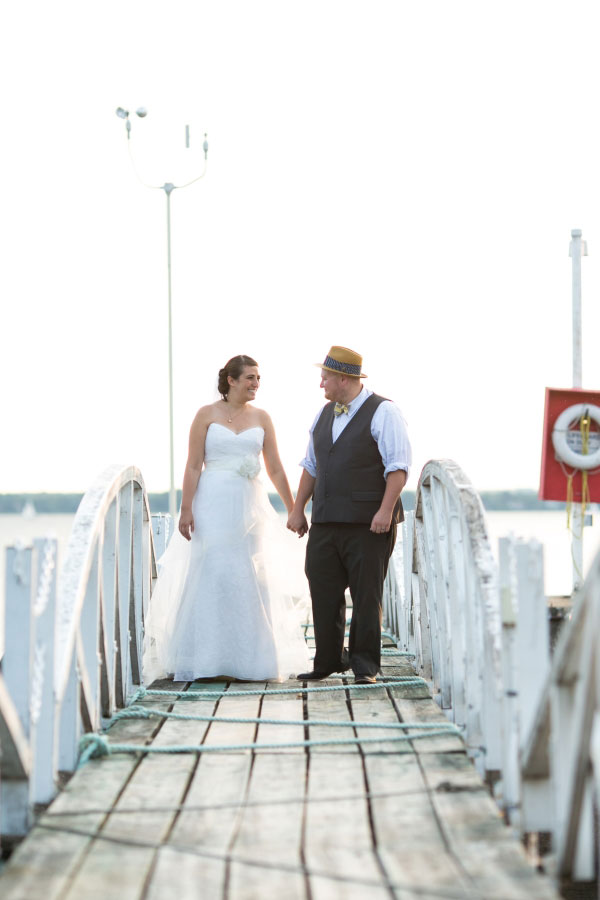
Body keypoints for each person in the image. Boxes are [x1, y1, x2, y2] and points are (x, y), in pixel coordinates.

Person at [143, 355, 310, 683]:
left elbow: (274, 467)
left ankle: (252, 661)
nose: (256, 384)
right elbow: (193, 465)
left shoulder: (262, 417)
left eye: (258, 378)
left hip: (249, 506)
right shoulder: (206, 415)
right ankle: (205, 658)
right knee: (213, 571)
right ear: (230, 380)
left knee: (248, 573)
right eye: (249, 378)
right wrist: (186, 508)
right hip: (212, 503)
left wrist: (294, 508)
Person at [287, 346, 411, 684]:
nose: (321, 383)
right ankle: (327, 660)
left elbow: (398, 468)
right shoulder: (322, 414)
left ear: (344, 378)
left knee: (366, 594)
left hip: (368, 522)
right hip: (326, 520)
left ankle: (365, 665)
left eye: (325, 377)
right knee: (322, 587)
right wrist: (298, 509)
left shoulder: (384, 411)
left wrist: (385, 511)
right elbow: (311, 466)